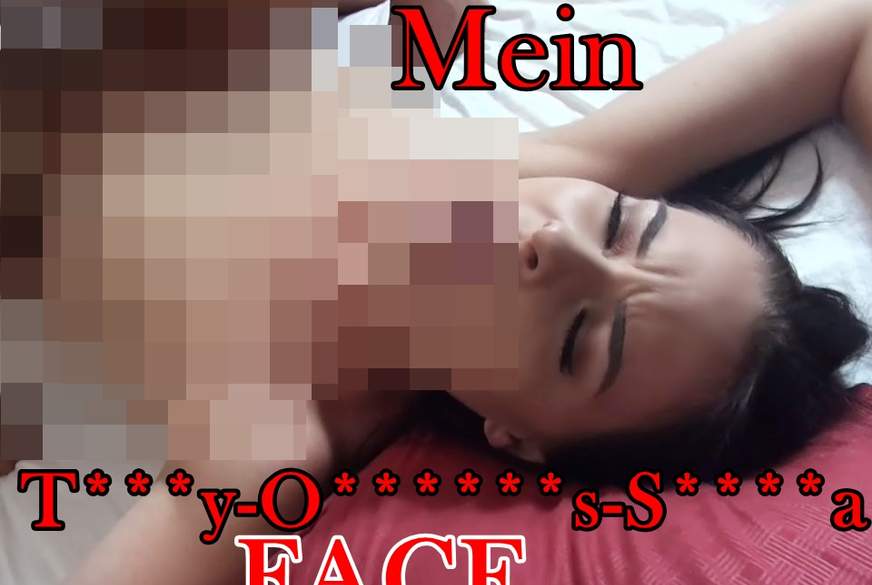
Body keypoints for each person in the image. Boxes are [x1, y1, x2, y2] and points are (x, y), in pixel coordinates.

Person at [60, 0, 872, 582]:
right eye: (625, 226)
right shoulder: (557, 175)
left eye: (579, 336)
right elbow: (854, 34)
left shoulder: (267, 441)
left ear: (516, 437)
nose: (555, 245)